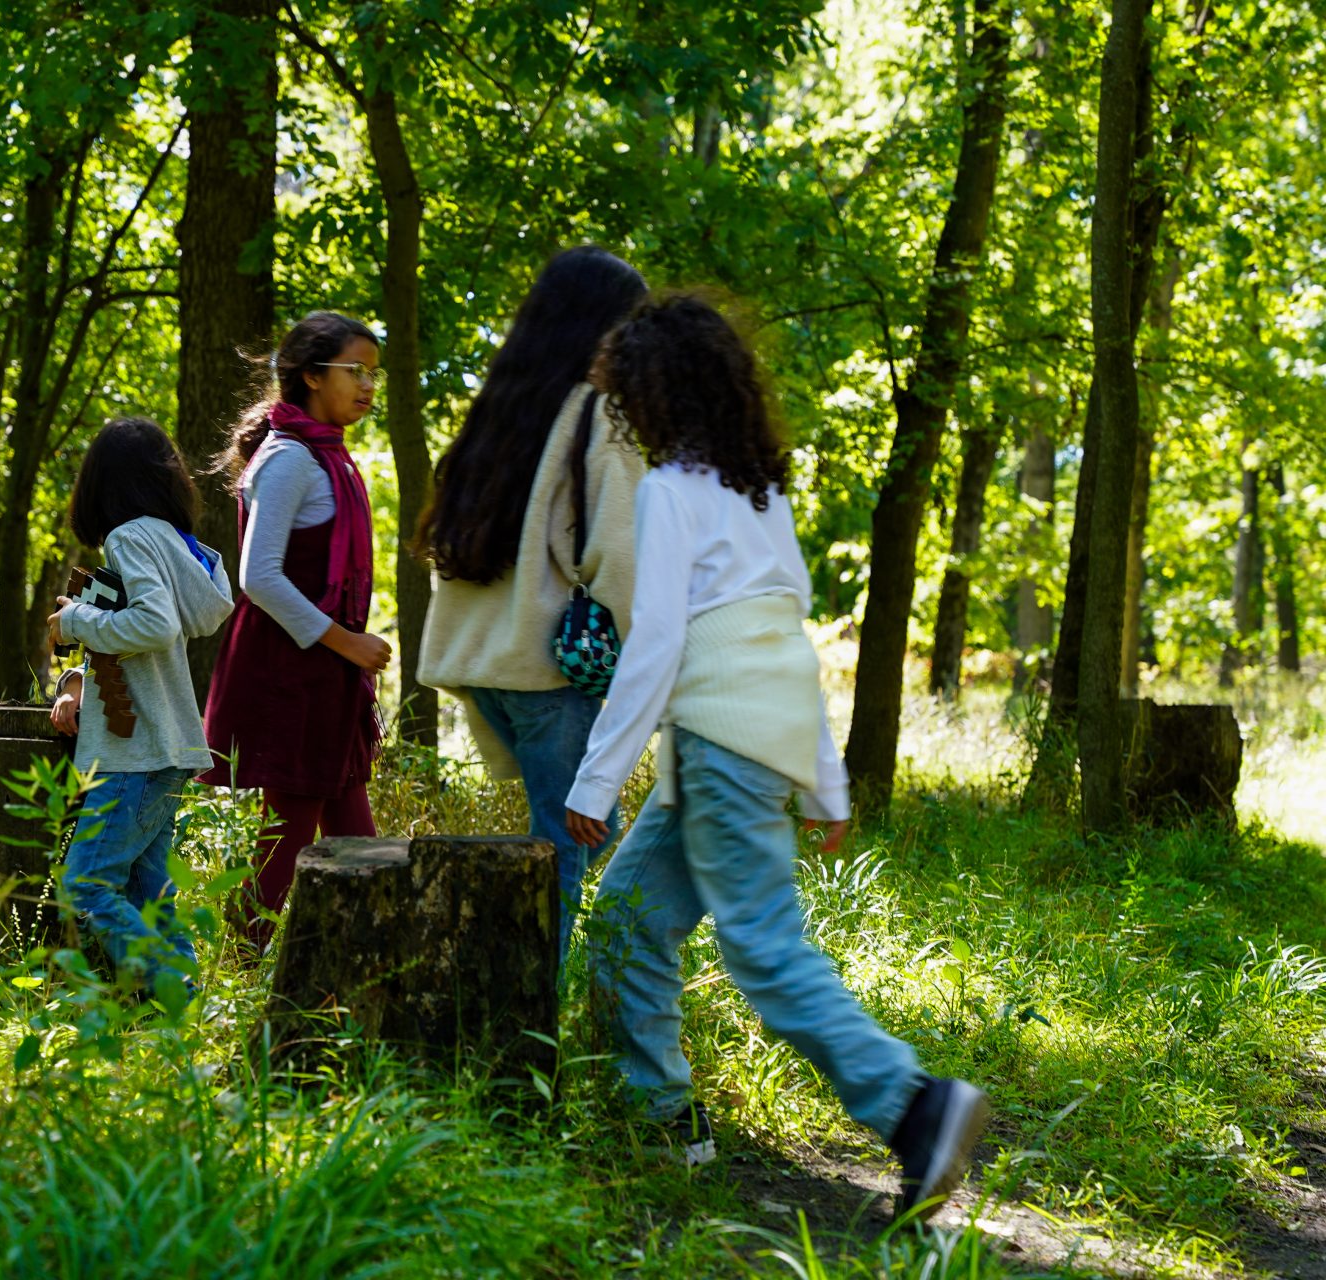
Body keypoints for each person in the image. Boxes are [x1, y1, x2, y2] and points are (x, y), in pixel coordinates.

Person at [563, 292, 989, 1220]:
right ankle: (661, 1117)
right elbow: (786, 634)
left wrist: (595, 777)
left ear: (654, 395)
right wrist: (823, 776)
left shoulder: (673, 490)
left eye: (625, 396)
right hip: (754, 731)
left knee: (761, 944)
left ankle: (914, 1106)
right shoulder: (760, 490)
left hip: (720, 737)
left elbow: (659, 642)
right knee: (631, 916)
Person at [416, 246, 648, 957]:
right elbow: (623, 558)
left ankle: (500, 987)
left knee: (564, 838)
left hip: (484, 666)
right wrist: (659, 664)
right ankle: (527, 1024)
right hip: (550, 671)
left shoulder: (499, 408)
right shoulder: (600, 416)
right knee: (564, 855)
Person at [200, 312, 391, 947]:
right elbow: (259, 577)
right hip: (291, 676)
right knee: (291, 826)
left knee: (349, 829)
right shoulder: (291, 459)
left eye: (374, 373)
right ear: (311, 375)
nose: (367, 385)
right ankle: (247, 975)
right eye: (354, 370)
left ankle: (372, 960)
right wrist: (349, 643)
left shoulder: (330, 456)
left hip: (325, 675)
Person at [48, 417, 235, 1006]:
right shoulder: (180, 546)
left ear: (100, 483)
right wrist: (79, 675)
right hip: (170, 743)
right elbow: (144, 647)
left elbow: (153, 626)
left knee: (86, 885)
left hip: (134, 754)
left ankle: (172, 988)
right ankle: (188, 1006)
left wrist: (74, 621)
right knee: (149, 889)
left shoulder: (128, 538)